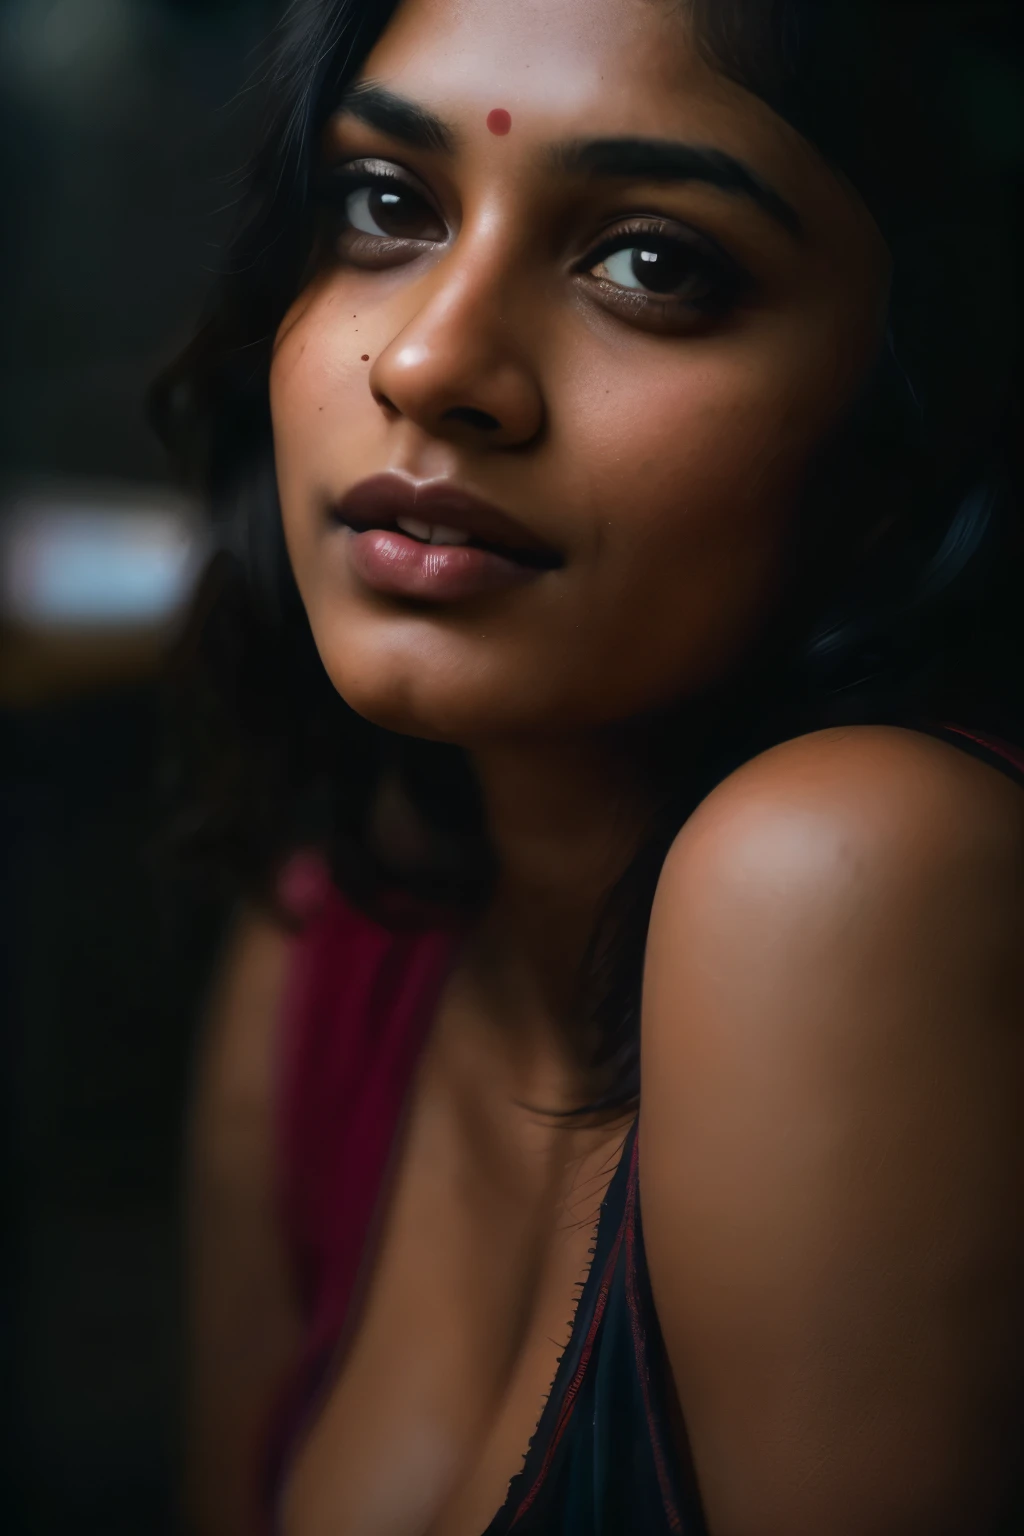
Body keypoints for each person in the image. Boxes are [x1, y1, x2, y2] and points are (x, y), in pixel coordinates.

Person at [155, 1, 1024, 1532]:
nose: (431, 363)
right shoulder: (341, 934)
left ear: (914, 413)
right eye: (388, 208)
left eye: (653, 262)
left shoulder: (850, 870)